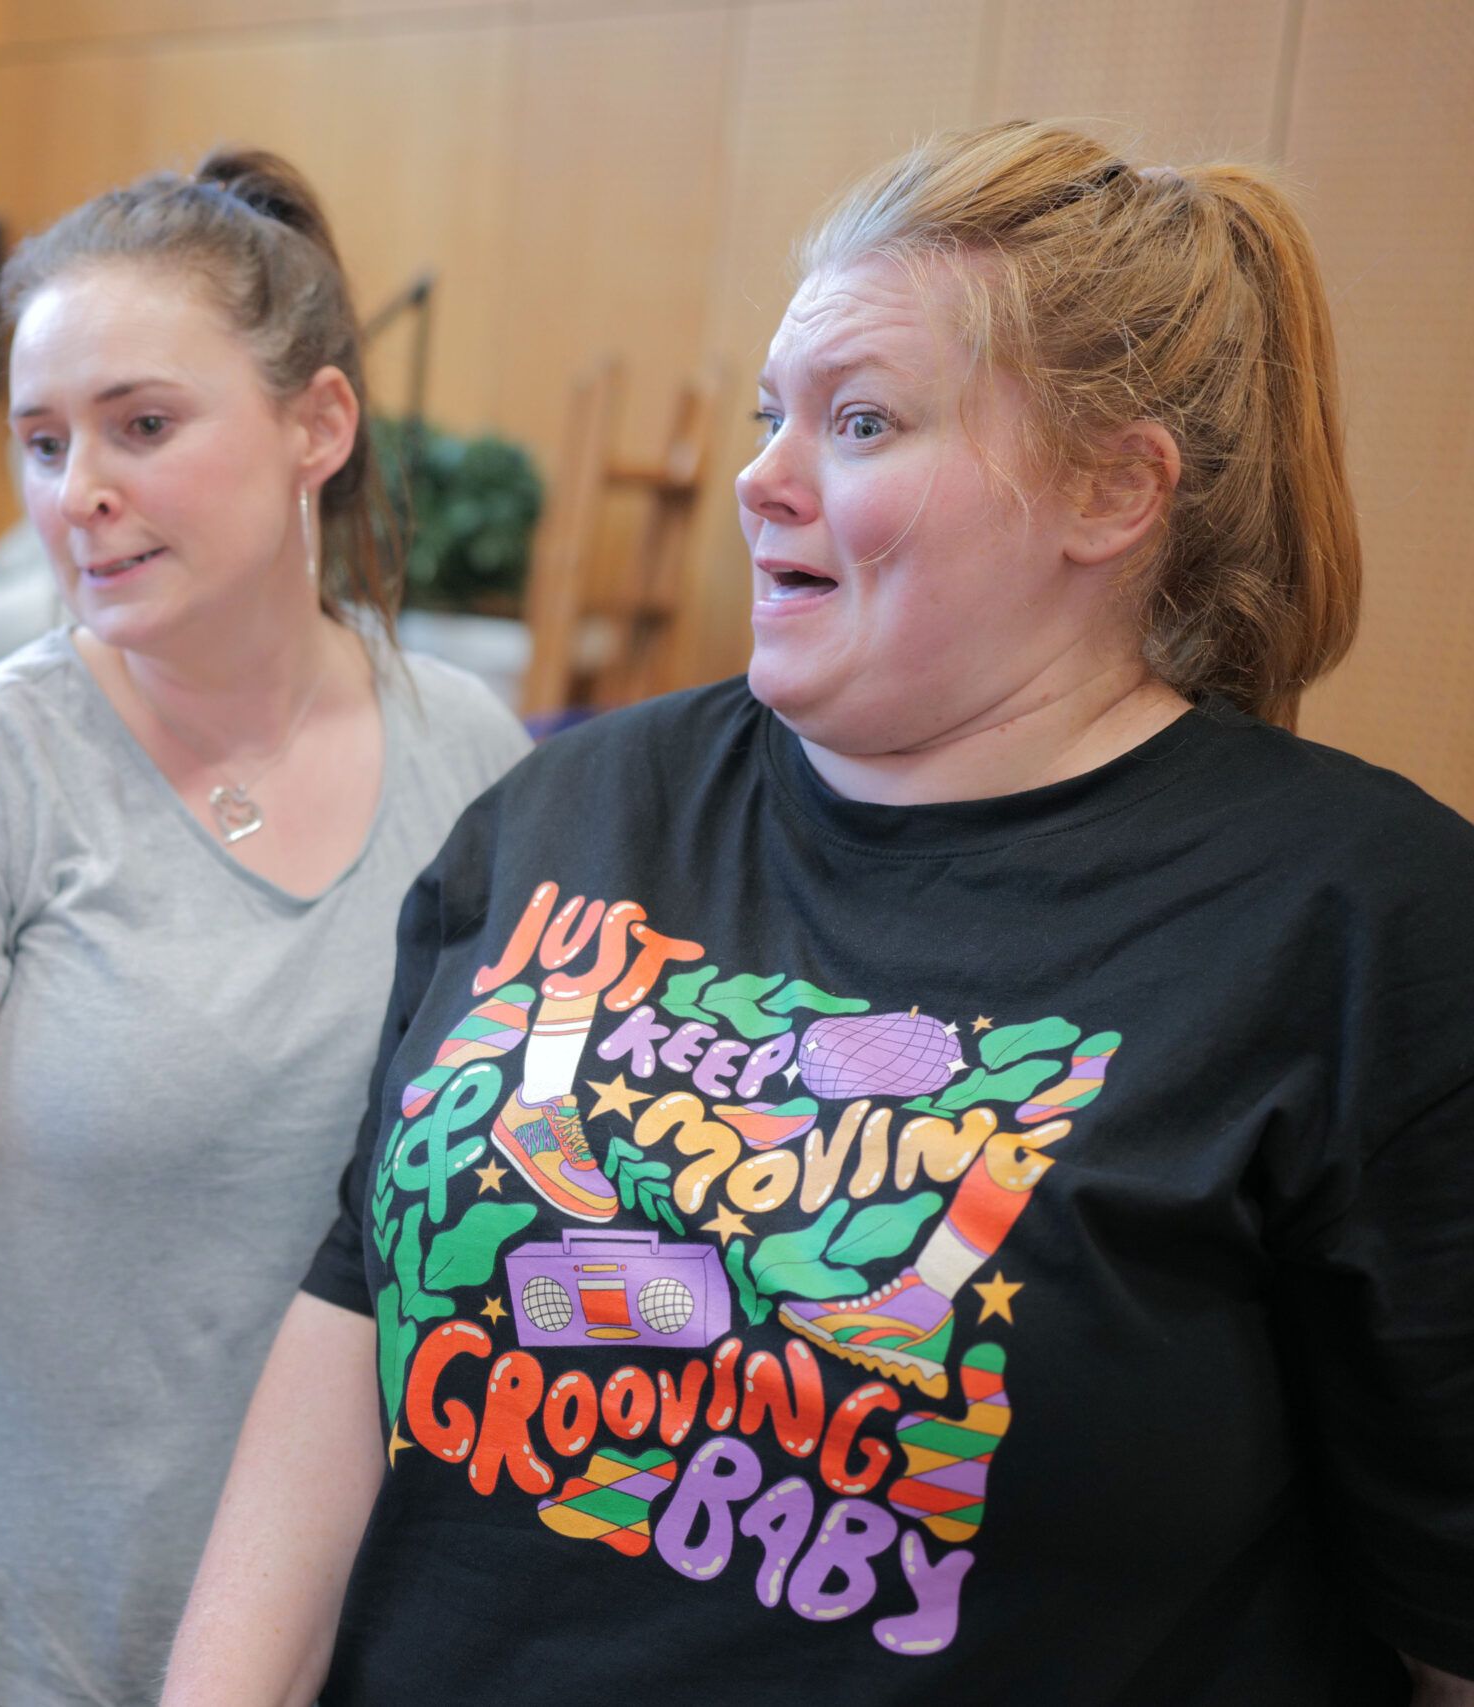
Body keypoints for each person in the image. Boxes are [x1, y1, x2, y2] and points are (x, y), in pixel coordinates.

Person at [165, 122, 1474, 1705]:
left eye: (861, 423)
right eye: (775, 412)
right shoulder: (572, 808)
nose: (762, 478)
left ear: (1114, 491)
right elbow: (358, 1306)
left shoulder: (1363, 923)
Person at [0, 150, 533, 1706]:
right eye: (45, 443)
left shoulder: (474, 755)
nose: (80, 494)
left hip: (333, 1634)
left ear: (317, 424)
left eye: (143, 425)